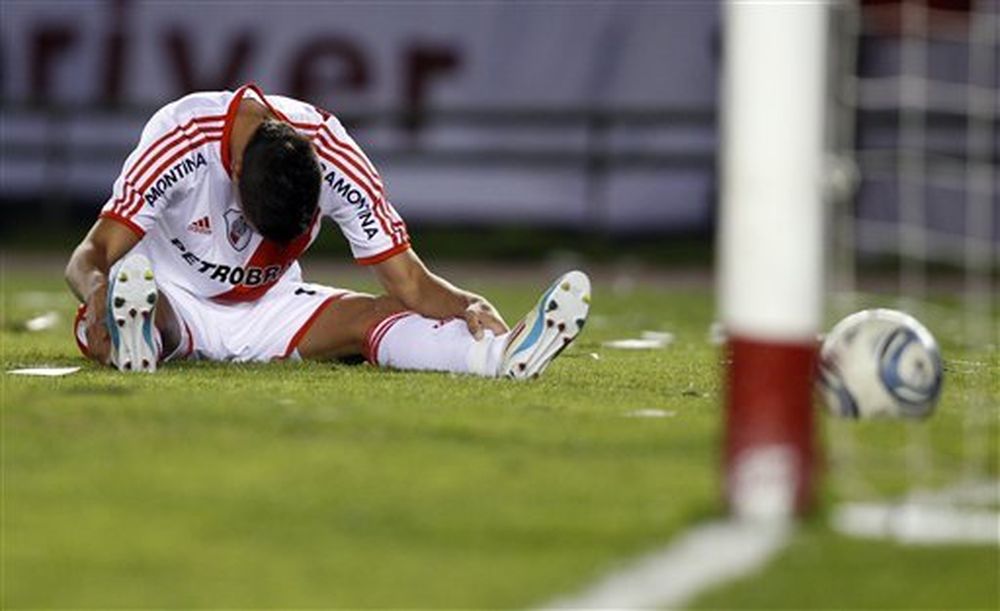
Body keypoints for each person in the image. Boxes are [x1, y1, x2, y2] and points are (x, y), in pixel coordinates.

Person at [65, 83, 590, 377]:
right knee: (123, 303)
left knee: (379, 314)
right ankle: (136, 337)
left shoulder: (334, 153)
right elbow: (89, 255)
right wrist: (96, 290)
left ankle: (497, 356)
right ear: (236, 172)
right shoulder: (180, 136)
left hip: (273, 304)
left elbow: (408, 282)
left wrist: (466, 303)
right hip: (173, 297)